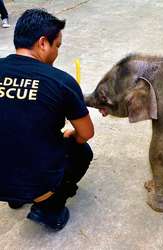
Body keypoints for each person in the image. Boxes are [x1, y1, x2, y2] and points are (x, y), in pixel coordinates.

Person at [0, 8, 94, 230]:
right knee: (82, 151)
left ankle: (15, 197)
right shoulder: (61, 82)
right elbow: (87, 133)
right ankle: (49, 209)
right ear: (43, 43)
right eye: (57, 46)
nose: (57, 52)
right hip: (38, 182)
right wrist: (73, 135)